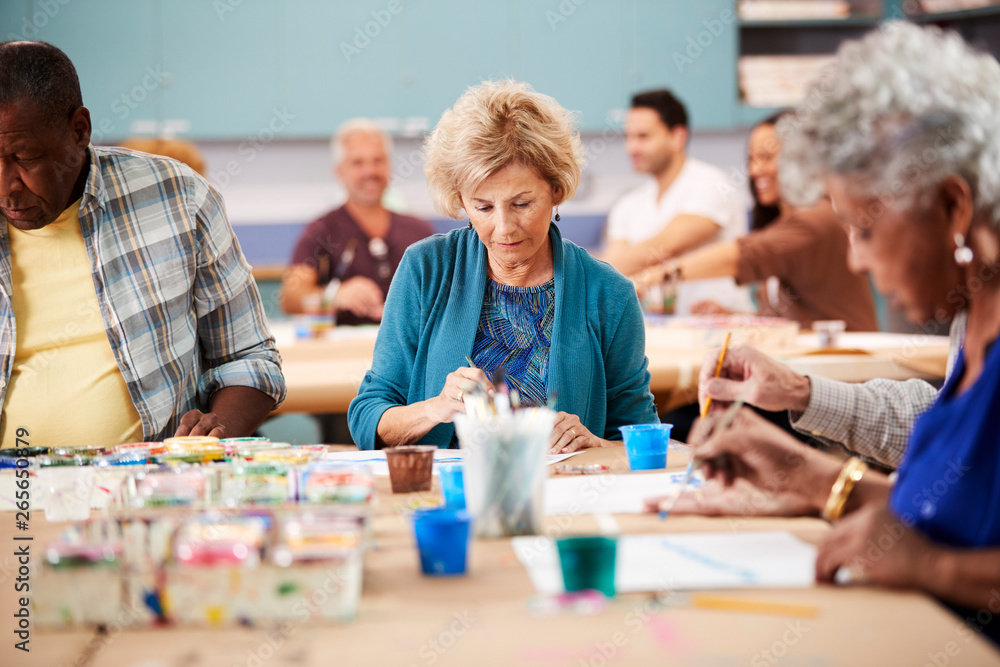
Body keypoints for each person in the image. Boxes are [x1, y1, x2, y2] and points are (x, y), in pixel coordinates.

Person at [650, 23, 1000, 644]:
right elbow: (955, 470)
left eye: (865, 231)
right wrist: (807, 473)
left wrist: (939, 568)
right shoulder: (972, 322)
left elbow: (950, 539)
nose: (858, 262)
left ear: (953, 206)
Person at [348, 80, 658, 451]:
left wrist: (593, 443)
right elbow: (367, 417)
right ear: (460, 200)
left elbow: (643, 442)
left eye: (522, 203)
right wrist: (435, 409)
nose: (504, 227)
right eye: (483, 207)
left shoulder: (609, 294)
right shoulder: (425, 270)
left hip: (564, 503)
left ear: (557, 190)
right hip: (448, 498)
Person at [0, 41, 285, 444]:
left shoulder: (178, 197)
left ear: (79, 130)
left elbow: (250, 358)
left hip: (149, 489)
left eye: (25, 158)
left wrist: (218, 427)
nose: (6, 188)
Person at [635, 111, 878, 332]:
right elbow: (789, 323)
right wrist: (733, 317)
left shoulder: (816, 220)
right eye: (752, 159)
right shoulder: (785, 223)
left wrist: (652, 277)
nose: (754, 170)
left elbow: (743, 255)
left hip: (850, 370)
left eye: (767, 157)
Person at [601, 89, 753, 315]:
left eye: (643, 137)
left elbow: (666, 245)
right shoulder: (627, 205)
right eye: (629, 137)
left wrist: (576, 273)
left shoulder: (712, 184)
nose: (631, 148)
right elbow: (614, 265)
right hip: (664, 332)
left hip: (722, 327)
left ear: (677, 137)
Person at [281, 119, 433, 325]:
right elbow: (290, 298)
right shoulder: (322, 232)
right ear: (340, 172)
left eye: (378, 161)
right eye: (358, 163)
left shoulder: (418, 232)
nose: (370, 171)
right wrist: (335, 296)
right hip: (345, 353)